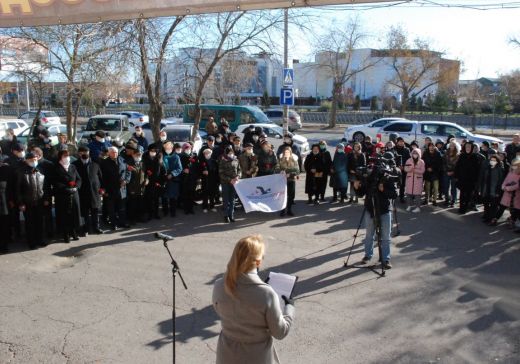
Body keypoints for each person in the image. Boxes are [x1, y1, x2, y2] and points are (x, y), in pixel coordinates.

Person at [212, 234, 295, 364]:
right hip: (256, 357)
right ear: (258, 261)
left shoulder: (219, 285)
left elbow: (220, 311)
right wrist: (289, 309)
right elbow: (280, 332)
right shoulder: (266, 294)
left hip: (226, 355)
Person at [353, 156, 399, 269]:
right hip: (370, 209)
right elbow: (361, 194)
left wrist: (384, 189)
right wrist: (356, 187)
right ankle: (367, 255)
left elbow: (394, 194)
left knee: (385, 237)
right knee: (369, 235)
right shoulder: (369, 178)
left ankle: (385, 259)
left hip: (384, 210)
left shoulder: (387, 178)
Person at [14, 152, 51, 250]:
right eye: (31, 160)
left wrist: (46, 198)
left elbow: (45, 186)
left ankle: (40, 239)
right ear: (26, 160)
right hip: (28, 202)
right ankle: (31, 242)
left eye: (35, 159)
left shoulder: (40, 170)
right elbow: (18, 190)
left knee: (40, 221)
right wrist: (21, 203)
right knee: (30, 223)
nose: (34, 161)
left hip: (40, 201)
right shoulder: (21, 172)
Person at [73, 146, 104, 236]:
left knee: (95, 210)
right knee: (84, 212)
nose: (85, 154)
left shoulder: (95, 163)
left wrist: (102, 188)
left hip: (95, 192)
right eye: (82, 152)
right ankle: (86, 228)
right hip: (82, 192)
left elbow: (101, 177)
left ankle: (96, 227)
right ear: (79, 154)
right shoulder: (75, 165)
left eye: (86, 152)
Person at [53, 150, 82, 243]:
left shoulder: (72, 166)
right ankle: (65, 234)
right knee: (65, 215)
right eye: (65, 156)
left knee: (74, 214)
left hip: (74, 194)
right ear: (60, 157)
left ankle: (73, 232)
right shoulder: (56, 167)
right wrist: (65, 189)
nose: (67, 158)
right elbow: (55, 182)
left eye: (68, 156)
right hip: (63, 195)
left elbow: (79, 179)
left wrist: (76, 187)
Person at [99, 146, 131, 230]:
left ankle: (122, 222)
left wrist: (126, 180)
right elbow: (102, 177)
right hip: (110, 189)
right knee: (111, 208)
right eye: (113, 152)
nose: (115, 154)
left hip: (122, 188)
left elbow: (128, 171)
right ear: (109, 153)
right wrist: (104, 189)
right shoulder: (104, 163)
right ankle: (113, 224)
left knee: (122, 207)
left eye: (116, 152)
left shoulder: (122, 160)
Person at [455, 141, 480, 214]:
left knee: (469, 194)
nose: (468, 148)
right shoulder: (462, 156)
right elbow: (457, 167)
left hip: (471, 180)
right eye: (466, 147)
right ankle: (461, 207)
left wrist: (476, 180)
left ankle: (465, 207)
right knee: (462, 194)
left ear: (472, 148)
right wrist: (456, 176)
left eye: (469, 147)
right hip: (462, 179)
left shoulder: (475, 157)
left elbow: (477, 169)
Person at [479, 154, 505, 224]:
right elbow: (484, 179)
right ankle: (487, 217)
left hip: (494, 190)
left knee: (493, 206)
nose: (492, 161)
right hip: (486, 189)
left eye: (494, 160)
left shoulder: (499, 169)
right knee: (486, 204)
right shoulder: (487, 168)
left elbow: (500, 181)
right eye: (491, 160)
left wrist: (498, 191)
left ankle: (491, 218)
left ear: (497, 161)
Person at [142, 145, 165, 220]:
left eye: (155, 151)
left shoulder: (159, 159)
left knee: (156, 199)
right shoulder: (144, 159)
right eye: (152, 151)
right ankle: (149, 214)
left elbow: (163, 172)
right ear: (148, 151)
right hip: (148, 183)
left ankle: (156, 213)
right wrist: (146, 177)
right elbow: (142, 171)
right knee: (148, 199)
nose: (153, 152)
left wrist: (160, 182)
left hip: (156, 183)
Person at [496, 158, 520, 229]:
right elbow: (505, 180)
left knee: (515, 209)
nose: (513, 166)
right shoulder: (510, 173)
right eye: (512, 165)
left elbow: (518, 185)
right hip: (506, 194)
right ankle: (495, 218)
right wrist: (503, 186)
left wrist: (508, 188)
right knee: (502, 207)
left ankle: (512, 220)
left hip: (516, 195)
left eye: (515, 165)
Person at [126, 146, 148, 224]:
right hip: (132, 188)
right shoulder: (128, 163)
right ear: (133, 155)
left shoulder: (142, 163)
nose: (139, 156)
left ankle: (140, 217)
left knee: (140, 204)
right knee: (132, 204)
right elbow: (127, 177)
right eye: (137, 154)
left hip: (141, 188)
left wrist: (147, 180)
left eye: (140, 155)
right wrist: (130, 189)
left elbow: (145, 174)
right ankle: (132, 219)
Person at [219, 145, 240, 223]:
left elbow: (239, 170)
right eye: (229, 152)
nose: (231, 154)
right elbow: (221, 173)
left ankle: (231, 215)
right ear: (227, 153)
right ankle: (226, 216)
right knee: (226, 200)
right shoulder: (223, 161)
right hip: (226, 183)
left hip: (234, 183)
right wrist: (230, 180)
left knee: (232, 200)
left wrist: (238, 176)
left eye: (232, 152)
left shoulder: (236, 160)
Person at [277, 146, 300, 216]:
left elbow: (297, 170)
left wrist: (289, 173)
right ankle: (283, 210)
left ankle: (289, 210)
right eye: (285, 152)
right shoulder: (280, 160)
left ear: (290, 153)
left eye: (288, 152)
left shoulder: (294, 160)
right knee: (283, 196)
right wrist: (281, 171)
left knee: (291, 196)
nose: (286, 153)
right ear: (283, 153)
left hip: (291, 180)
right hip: (283, 181)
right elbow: (277, 168)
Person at [162, 141, 183, 217]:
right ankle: (165, 211)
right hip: (164, 179)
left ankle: (173, 212)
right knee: (164, 196)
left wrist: (172, 174)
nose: (168, 149)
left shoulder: (176, 157)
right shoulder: (161, 156)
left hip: (173, 180)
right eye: (166, 148)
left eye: (169, 148)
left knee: (173, 197)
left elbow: (179, 168)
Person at [404, 148, 425, 213]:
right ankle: (409, 206)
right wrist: (410, 169)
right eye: (414, 153)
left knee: (417, 195)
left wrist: (415, 170)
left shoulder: (421, 161)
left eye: (416, 153)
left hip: (417, 180)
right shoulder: (408, 160)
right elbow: (405, 169)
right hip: (409, 179)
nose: (415, 154)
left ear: (419, 154)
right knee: (408, 194)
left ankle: (418, 207)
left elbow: (422, 170)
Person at [179, 143, 198, 215]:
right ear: (184, 149)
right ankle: (186, 208)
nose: (188, 150)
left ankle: (191, 208)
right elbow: (179, 166)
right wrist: (183, 170)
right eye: (186, 148)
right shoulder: (181, 156)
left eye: (189, 148)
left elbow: (197, 166)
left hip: (192, 177)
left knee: (192, 193)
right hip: (185, 178)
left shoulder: (194, 156)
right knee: (185, 194)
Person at [199, 148, 219, 213]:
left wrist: (217, 180)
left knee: (212, 194)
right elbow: (198, 170)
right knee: (205, 194)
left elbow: (217, 171)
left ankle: (212, 206)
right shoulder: (201, 161)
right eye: (205, 153)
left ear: (211, 153)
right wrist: (202, 172)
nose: (207, 154)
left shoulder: (214, 161)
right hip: (205, 180)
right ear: (204, 154)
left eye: (208, 153)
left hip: (213, 180)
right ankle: (205, 207)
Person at [442, 141, 461, 208]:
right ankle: (447, 199)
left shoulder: (458, 155)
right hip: (446, 172)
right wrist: (446, 171)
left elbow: (458, 166)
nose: (451, 146)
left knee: (453, 188)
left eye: (453, 145)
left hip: (454, 173)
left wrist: (453, 172)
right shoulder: (446, 153)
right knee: (446, 187)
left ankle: (453, 200)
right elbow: (443, 163)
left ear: (455, 146)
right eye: (450, 145)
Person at [0, 156, 11, 253]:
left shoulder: (5, 169)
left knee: (4, 224)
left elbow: (10, 186)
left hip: (4, 203)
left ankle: (4, 245)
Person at [394, 137, 411, 203]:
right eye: (400, 141)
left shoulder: (407, 149)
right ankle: (393, 195)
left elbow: (409, 159)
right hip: (395, 168)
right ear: (397, 142)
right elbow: (393, 158)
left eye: (402, 141)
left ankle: (401, 196)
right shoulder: (394, 149)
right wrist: (397, 166)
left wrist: (404, 166)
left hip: (404, 169)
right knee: (394, 182)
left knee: (402, 184)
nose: (401, 143)